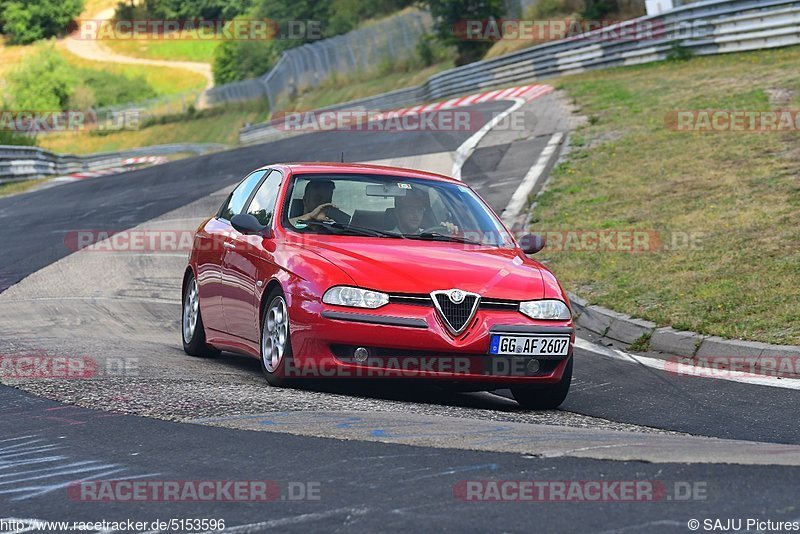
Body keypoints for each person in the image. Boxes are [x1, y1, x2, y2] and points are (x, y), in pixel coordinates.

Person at [391, 187, 458, 235]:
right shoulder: (385, 238)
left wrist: (448, 233)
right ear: (397, 212)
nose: (416, 214)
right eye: (410, 209)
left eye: (419, 209)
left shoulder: (431, 236)